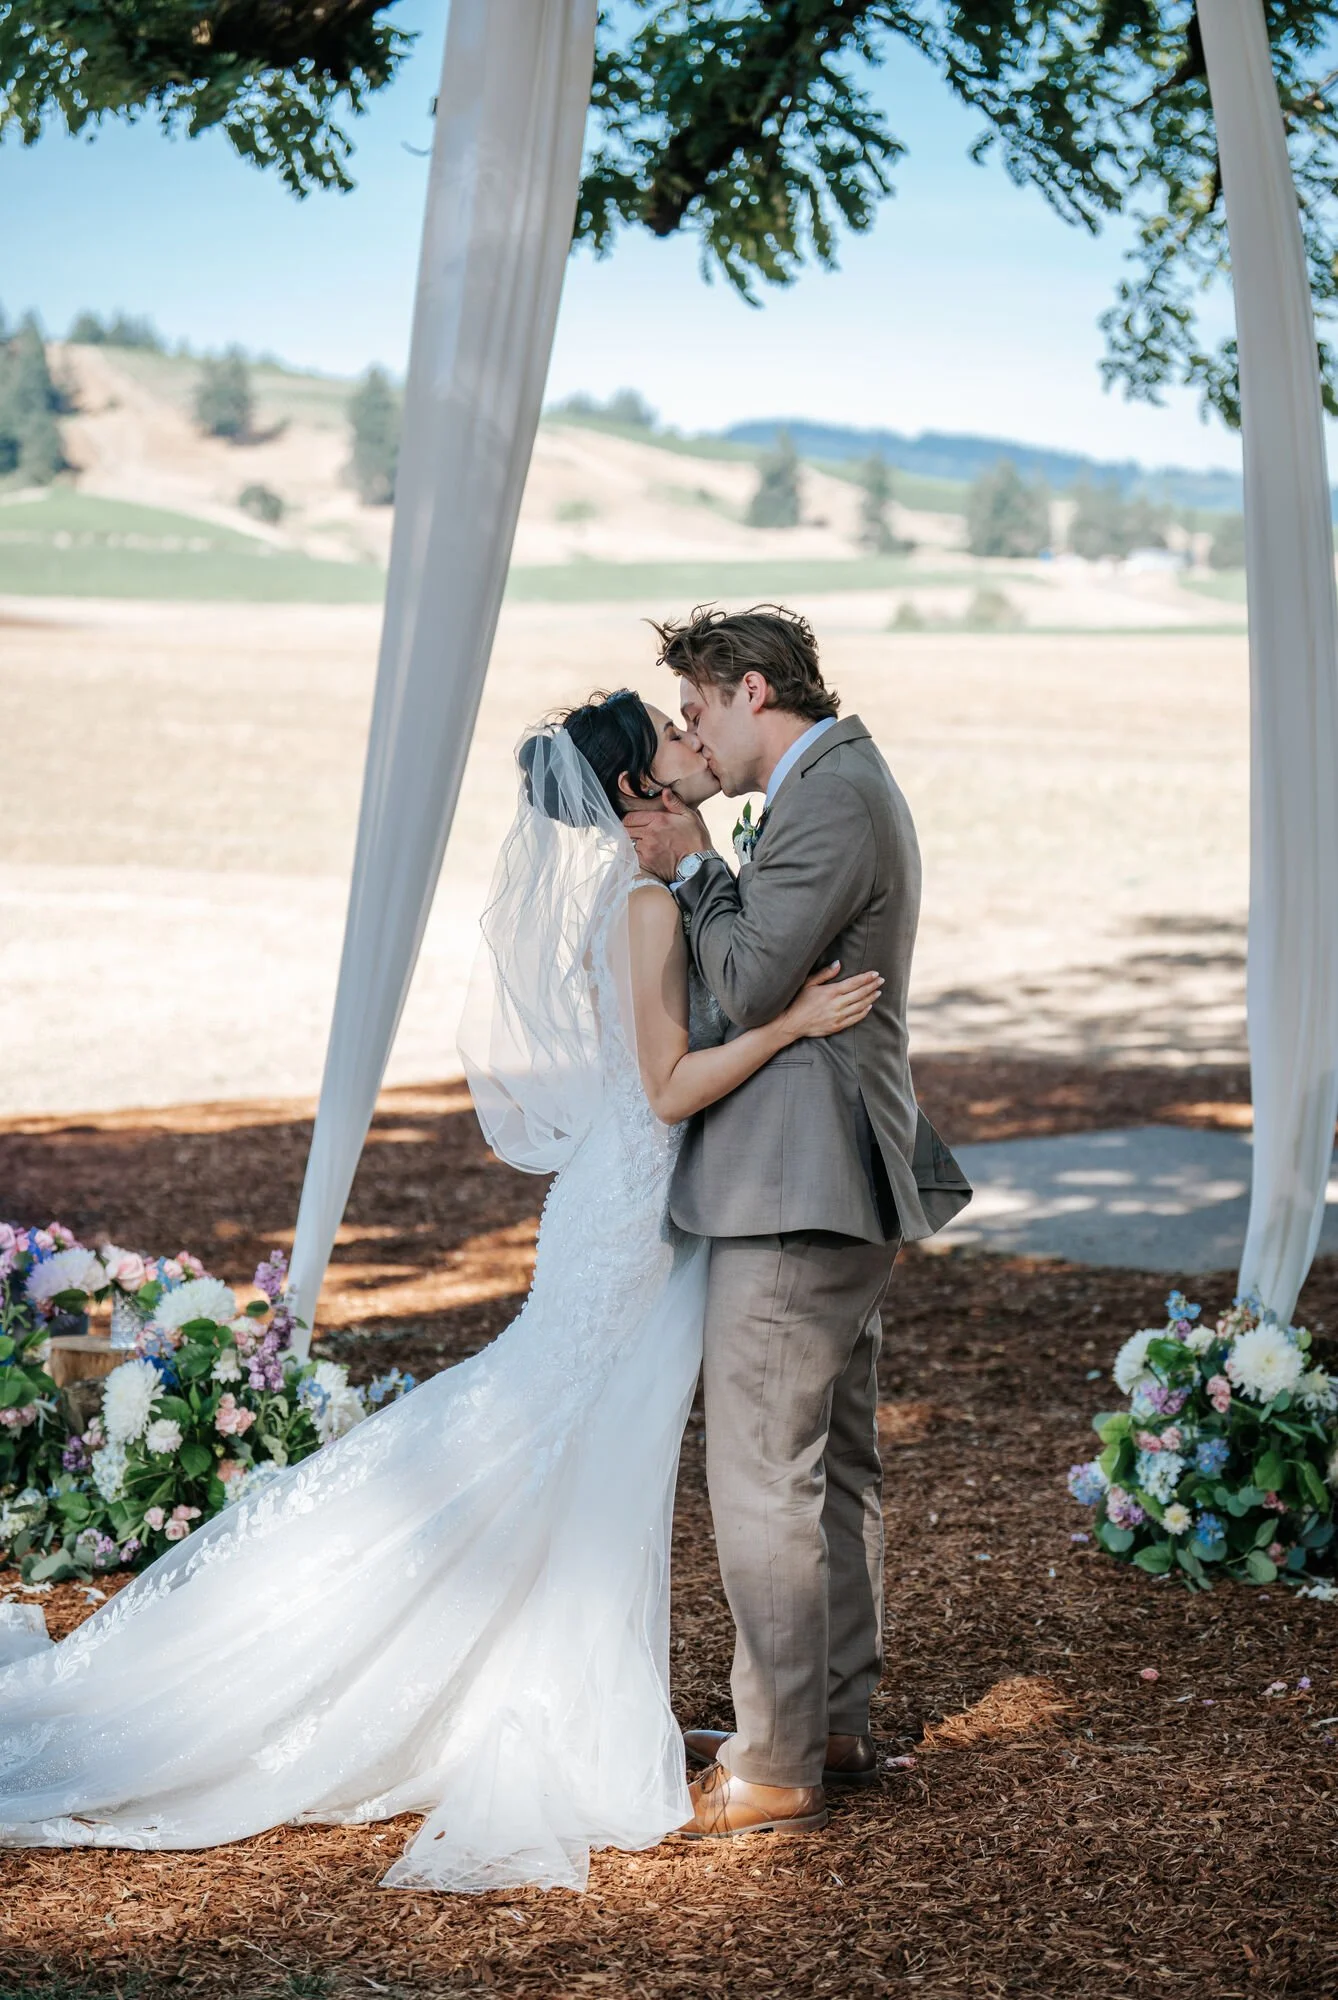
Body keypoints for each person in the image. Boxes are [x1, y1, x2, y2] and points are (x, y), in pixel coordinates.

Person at [0, 689, 879, 1894]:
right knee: (551, 1444)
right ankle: (512, 1696)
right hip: (629, 1225)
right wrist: (793, 1025)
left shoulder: (645, 893)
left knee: (561, 1453)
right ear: (634, 788)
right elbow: (670, 1089)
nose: (691, 742)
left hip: (622, 1212)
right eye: (671, 736)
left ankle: (547, 1689)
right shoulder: (638, 906)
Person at [624, 606, 971, 1840]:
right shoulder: (839, 781)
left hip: (798, 1182)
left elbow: (751, 978)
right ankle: (828, 1715)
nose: (695, 736)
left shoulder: (831, 795)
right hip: (831, 1175)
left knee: (766, 1473)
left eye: (701, 709)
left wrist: (692, 865)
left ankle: (775, 1762)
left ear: (752, 690)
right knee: (831, 1466)